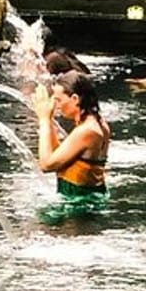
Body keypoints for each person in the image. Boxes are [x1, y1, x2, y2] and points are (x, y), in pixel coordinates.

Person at [32, 70, 111, 223]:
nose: (57, 106)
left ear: (75, 99)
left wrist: (43, 120)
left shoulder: (86, 131)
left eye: (59, 100)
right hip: (83, 201)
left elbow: (46, 165)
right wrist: (48, 120)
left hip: (79, 207)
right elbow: (58, 158)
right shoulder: (98, 123)